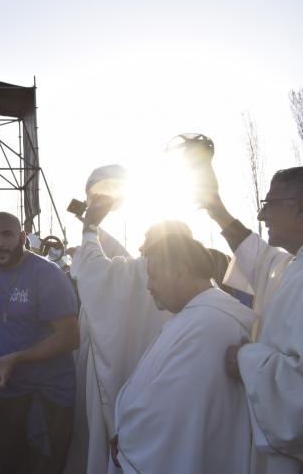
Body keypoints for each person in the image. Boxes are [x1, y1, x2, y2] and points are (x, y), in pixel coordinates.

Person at [64, 194, 192, 474]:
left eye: (147, 239)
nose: (140, 245)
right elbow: (115, 256)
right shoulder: (192, 280)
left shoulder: (138, 272)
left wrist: (90, 227)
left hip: (126, 383)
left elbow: (95, 272)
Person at [112, 233, 257, 474]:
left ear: (180, 271)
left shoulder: (207, 324)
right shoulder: (196, 315)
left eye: (154, 276)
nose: (149, 285)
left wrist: (129, 443)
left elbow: (173, 412)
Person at [202, 165, 303, 473]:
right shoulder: (292, 266)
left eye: (268, 204)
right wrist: (216, 208)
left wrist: (245, 359)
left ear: (300, 208)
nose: (262, 216)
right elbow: (258, 257)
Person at [0, 212, 79, 474]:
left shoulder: (48, 275)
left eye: (7, 235)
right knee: (8, 463)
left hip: (47, 393)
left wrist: (16, 358)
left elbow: (70, 337)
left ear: (22, 237)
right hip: (4, 388)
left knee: (44, 466)